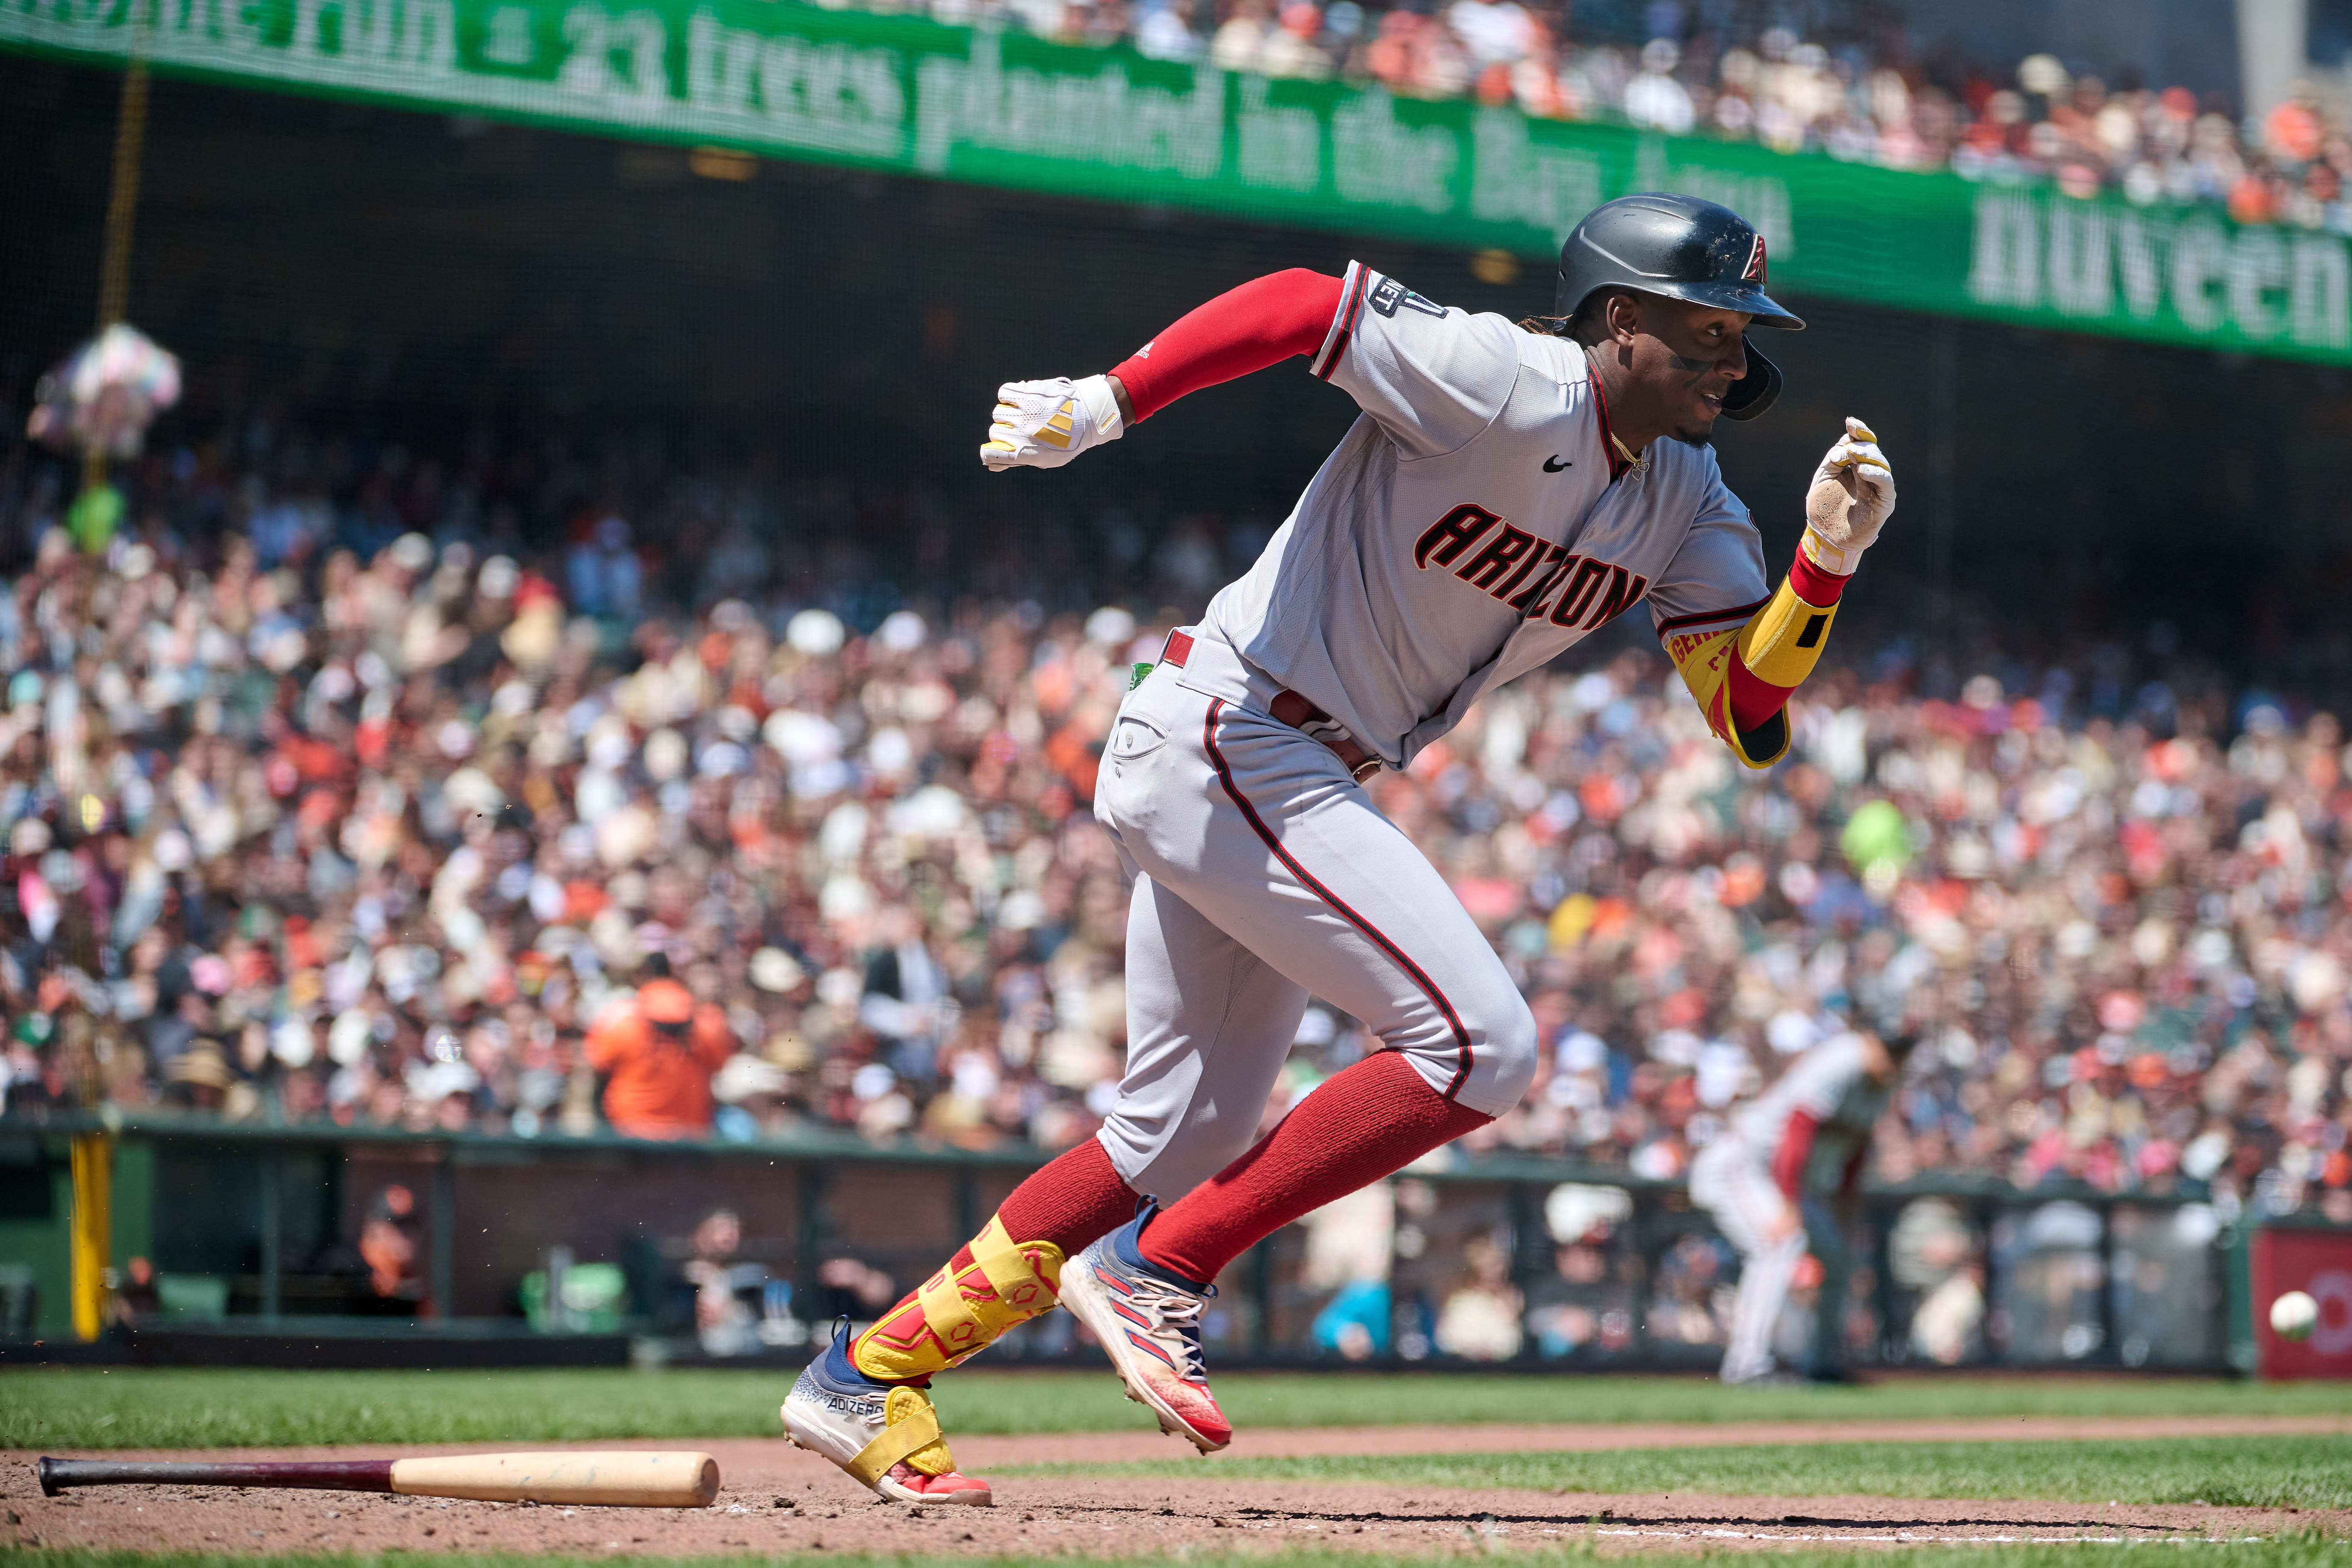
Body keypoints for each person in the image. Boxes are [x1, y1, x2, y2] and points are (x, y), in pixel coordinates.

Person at [780, 192, 1897, 1505]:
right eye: (1708, 326)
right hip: (1238, 730)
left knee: (1171, 1132)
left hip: (1285, 764)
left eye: (1743, 331)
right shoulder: (1509, 375)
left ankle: (867, 1372)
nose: (1736, 356)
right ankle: (1161, 1267)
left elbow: (1746, 716)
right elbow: (1305, 305)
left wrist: (1823, 561)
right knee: (1482, 1045)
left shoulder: (1692, 500)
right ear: (1618, 319)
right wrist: (1111, 398)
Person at [1690, 1024, 1921, 1384]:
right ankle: (1747, 1366)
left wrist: (1844, 1207)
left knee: (1838, 1258)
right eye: (1889, 1048)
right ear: (1869, 1040)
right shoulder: (1842, 1061)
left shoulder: (1883, 1079)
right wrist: (1788, 1203)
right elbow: (1796, 1133)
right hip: (1745, 1164)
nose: (1895, 1058)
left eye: (1902, 1051)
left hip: (1786, 1180)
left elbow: (1856, 1149)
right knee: (1779, 1243)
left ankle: (1821, 1362)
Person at [582, 956, 733, 1139]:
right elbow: (720, 1064)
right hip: (688, 1134)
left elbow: (596, 1062)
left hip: (629, 1132)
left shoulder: (623, 1021)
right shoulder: (707, 1023)